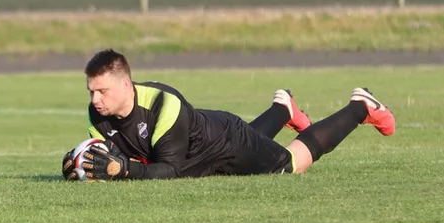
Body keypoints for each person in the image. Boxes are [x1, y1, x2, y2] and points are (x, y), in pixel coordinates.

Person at [63, 48, 395, 181]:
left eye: (102, 91)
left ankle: (360, 106)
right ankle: (282, 110)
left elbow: (170, 171)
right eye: (91, 90)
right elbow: (110, 158)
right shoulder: (97, 115)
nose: (95, 99)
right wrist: (81, 165)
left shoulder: (164, 105)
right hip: (207, 149)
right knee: (258, 148)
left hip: (227, 141)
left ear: (125, 84)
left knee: (289, 166)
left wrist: (122, 171)